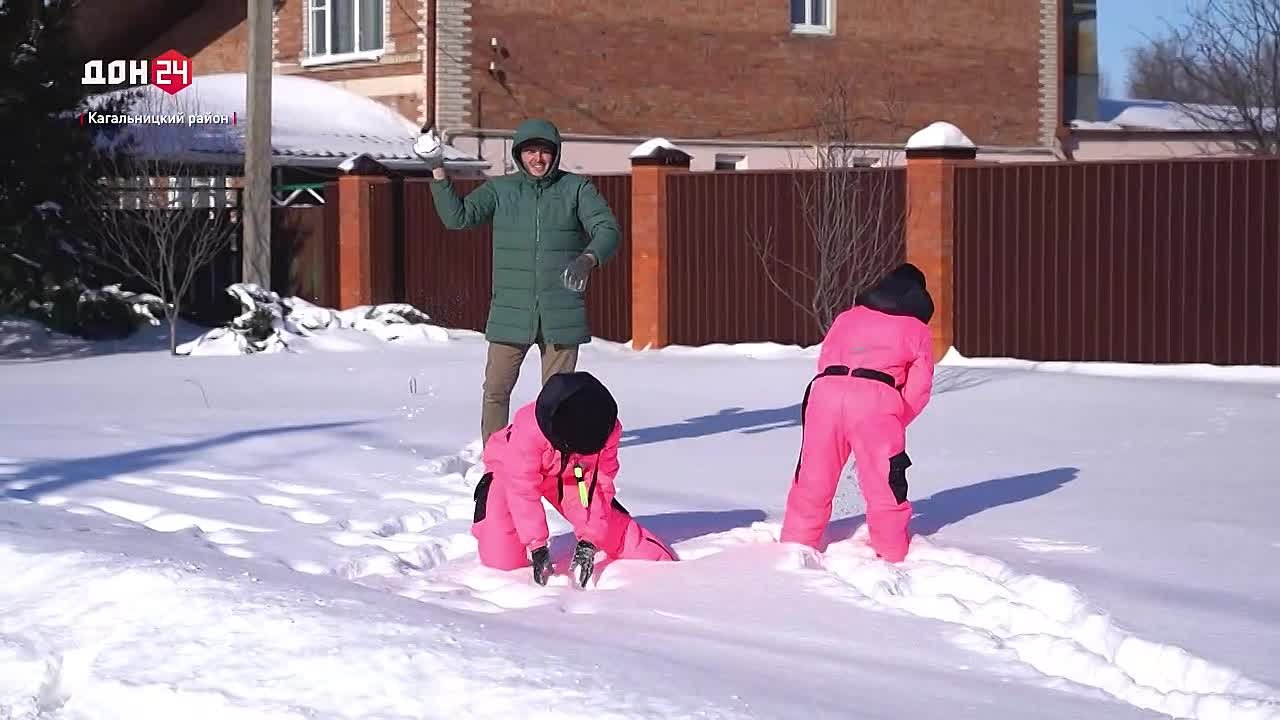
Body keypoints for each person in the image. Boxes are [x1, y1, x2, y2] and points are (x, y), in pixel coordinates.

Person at [414, 119, 622, 447]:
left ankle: (556, 455)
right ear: (518, 154)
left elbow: (608, 229)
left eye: (544, 152)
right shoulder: (501, 190)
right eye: (530, 151)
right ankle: (495, 458)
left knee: (560, 399)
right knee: (496, 390)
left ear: (555, 154)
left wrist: (588, 258)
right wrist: (437, 168)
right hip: (511, 311)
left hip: (561, 311)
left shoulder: (577, 189)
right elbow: (458, 218)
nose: (537, 158)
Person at [779, 263, 936, 562]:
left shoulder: (847, 317)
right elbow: (919, 389)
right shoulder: (917, 329)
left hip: (825, 393)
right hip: (876, 400)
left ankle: (795, 547)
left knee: (813, 476)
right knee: (885, 481)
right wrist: (895, 418)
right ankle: (891, 553)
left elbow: (824, 359)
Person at [471, 370, 677, 587]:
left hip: (573, 474)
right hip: (510, 472)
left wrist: (590, 539)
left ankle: (674, 572)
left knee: (620, 536)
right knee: (501, 560)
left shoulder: (606, 428)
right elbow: (522, 489)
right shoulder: (529, 429)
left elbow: (600, 485)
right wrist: (537, 545)